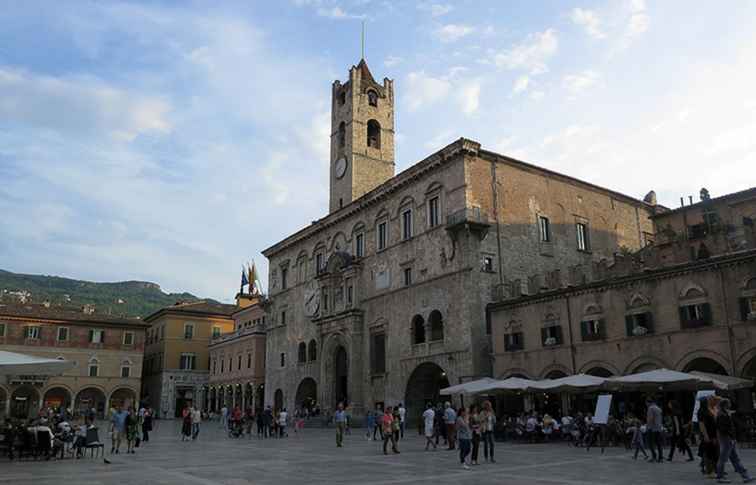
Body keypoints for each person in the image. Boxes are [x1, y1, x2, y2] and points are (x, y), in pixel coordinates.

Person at [715, 398, 753, 483]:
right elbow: (723, 428)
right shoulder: (722, 415)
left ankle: (745, 476)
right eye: (728, 403)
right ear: (725, 405)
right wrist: (731, 437)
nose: (730, 404)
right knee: (723, 459)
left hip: (728, 438)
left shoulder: (724, 413)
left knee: (734, 458)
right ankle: (720, 477)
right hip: (727, 439)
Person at [700, 395, 721, 478]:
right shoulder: (702, 411)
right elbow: (702, 425)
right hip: (708, 435)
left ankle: (714, 469)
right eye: (708, 401)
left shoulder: (708, 410)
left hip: (713, 434)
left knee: (714, 452)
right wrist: (706, 436)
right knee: (709, 453)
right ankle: (709, 471)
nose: (709, 402)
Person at [645, 398, 664, 463]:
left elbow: (650, 418)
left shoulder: (650, 408)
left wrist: (647, 426)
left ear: (648, 402)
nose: (646, 404)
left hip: (652, 428)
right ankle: (660, 458)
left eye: (646, 403)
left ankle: (654, 456)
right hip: (659, 428)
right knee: (659, 443)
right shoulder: (658, 408)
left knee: (650, 443)